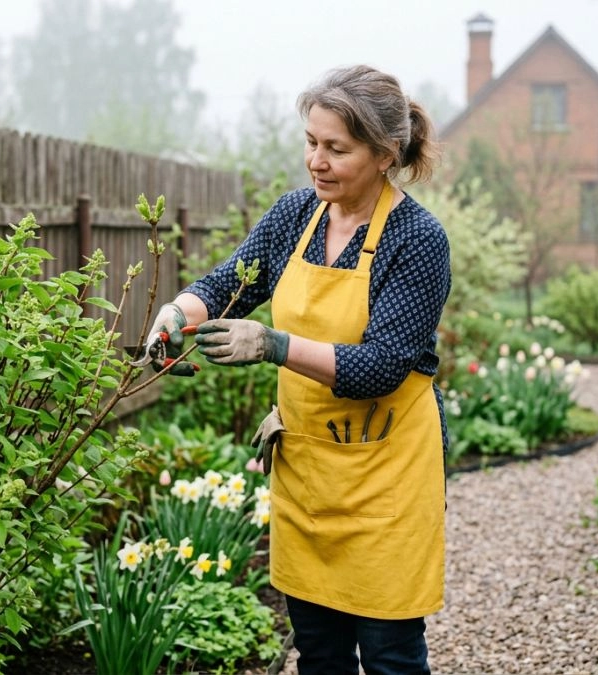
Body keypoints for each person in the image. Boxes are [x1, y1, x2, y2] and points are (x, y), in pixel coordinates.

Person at [148, 64, 451, 675]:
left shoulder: (417, 239)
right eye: (311, 143)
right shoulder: (296, 216)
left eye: (336, 149)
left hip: (386, 478)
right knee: (318, 653)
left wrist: (275, 346)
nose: (317, 160)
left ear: (386, 152)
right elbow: (230, 284)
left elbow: (383, 367)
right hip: (308, 472)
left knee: (391, 656)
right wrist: (175, 314)